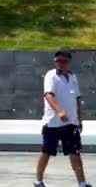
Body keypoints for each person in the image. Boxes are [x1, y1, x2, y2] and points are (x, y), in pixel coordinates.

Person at [34, 51, 93, 187]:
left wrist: (79, 119)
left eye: (63, 61)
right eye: (58, 61)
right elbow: (48, 95)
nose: (60, 63)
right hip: (53, 123)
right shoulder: (51, 75)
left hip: (71, 123)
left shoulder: (73, 77)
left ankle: (82, 183)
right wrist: (59, 111)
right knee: (47, 152)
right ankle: (38, 181)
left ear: (69, 62)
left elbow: (77, 99)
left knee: (75, 153)